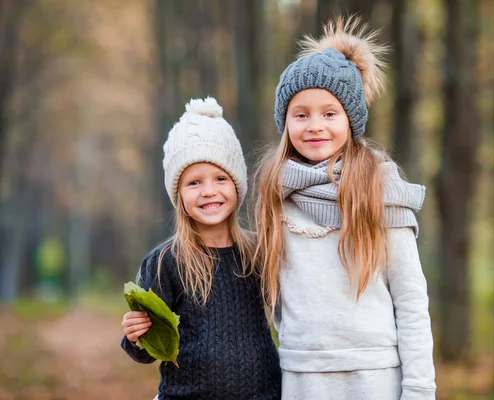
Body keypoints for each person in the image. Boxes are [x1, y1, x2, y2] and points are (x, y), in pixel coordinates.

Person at [253, 17, 436, 399]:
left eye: (330, 113)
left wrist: (419, 390)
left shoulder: (380, 190)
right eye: (300, 114)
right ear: (284, 123)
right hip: (302, 377)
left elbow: (411, 300)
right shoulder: (275, 193)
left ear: (351, 121)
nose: (314, 125)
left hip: (374, 377)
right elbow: (275, 298)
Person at [121, 96, 281, 400]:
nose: (209, 191)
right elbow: (147, 352)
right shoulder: (165, 262)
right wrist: (136, 336)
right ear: (178, 193)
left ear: (237, 185)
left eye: (220, 178)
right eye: (194, 183)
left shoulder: (258, 251)